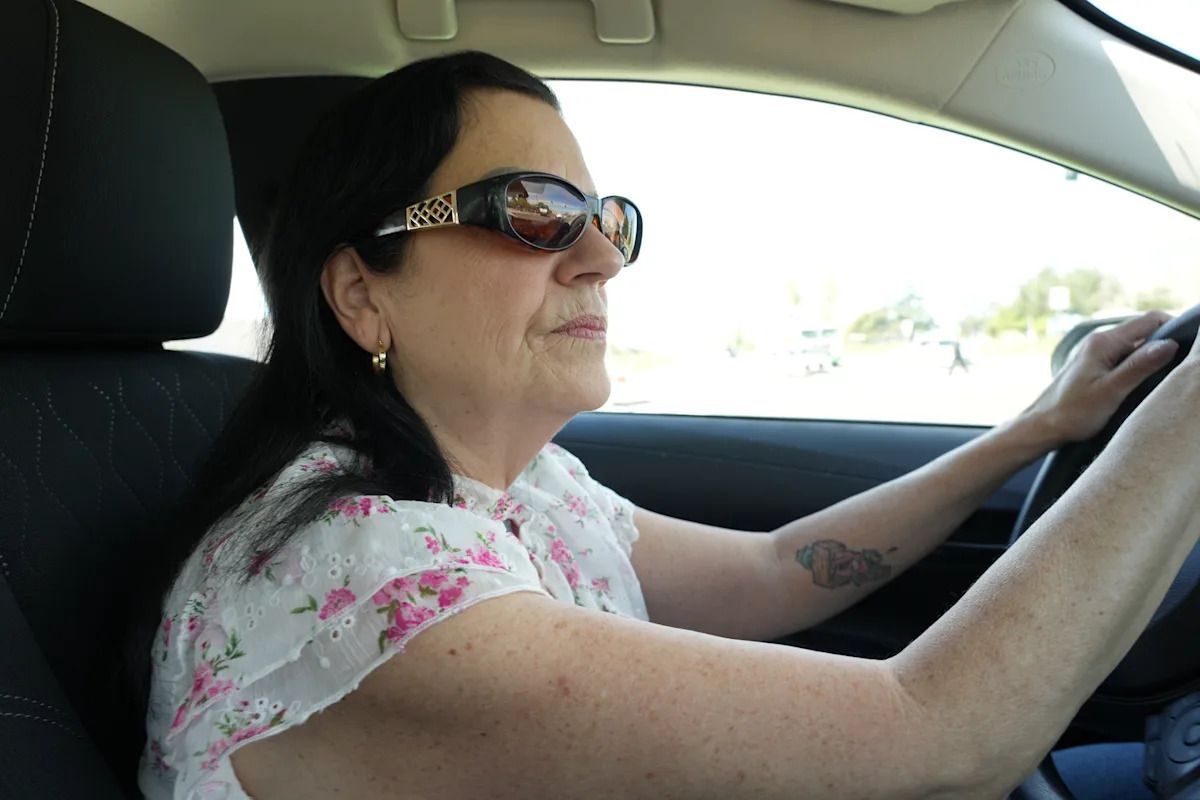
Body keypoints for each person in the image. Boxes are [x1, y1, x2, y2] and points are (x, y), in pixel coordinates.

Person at [131, 51, 1199, 800]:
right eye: (534, 210)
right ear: (363, 293)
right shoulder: (369, 578)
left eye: (606, 219)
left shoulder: (519, 486)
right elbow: (942, 739)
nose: (601, 257)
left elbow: (782, 572)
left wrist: (1034, 429)